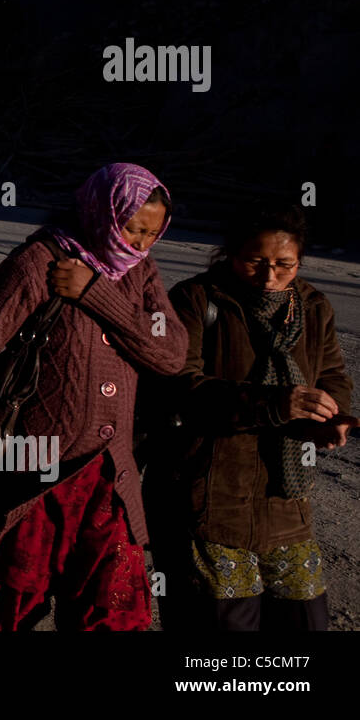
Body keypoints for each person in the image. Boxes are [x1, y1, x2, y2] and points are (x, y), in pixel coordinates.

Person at [0, 162, 189, 630]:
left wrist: (96, 295)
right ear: (102, 211)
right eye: (132, 229)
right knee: (7, 606)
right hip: (32, 468)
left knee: (114, 610)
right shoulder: (37, 263)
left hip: (109, 475)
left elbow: (171, 353)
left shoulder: (140, 273)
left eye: (153, 234)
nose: (140, 244)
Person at [144, 203, 355, 631]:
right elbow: (178, 385)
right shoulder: (196, 299)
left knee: (305, 620)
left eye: (284, 264)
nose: (270, 276)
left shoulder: (313, 307)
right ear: (230, 254)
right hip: (210, 492)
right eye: (255, 262)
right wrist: (274, 404)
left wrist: (335, 416)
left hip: (286, 499)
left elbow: (331, 373)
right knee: (222, 624)